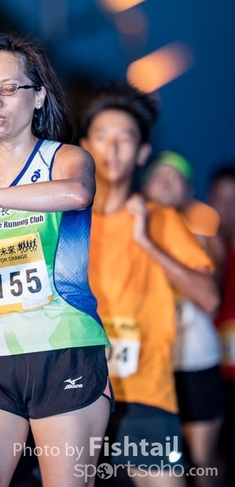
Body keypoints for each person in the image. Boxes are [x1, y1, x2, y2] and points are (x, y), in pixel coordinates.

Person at [0, 33, 113, 487]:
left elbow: (78, 193)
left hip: (63, 349)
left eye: (9, 88)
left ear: (39, 96)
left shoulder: (66, 159)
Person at [79, 82, 219, 487]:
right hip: (76, 394)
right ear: (85, 146)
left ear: (142, 152)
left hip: (146, 396)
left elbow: (209, 298)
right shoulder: (67, 220)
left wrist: (146, 242)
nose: (112, 148)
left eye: (125, 139)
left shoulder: (161, 220)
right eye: (102, 137)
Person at [142, 151, 225, 487]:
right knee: (158, 462)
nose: (166, 182)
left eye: (175, 178)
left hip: (194, 359)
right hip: (149, 366)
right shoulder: (129, 229)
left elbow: (213, 297)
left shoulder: (204, 235)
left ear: (188, 191)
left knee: (201, 461)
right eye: (158, 175)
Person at [208, 165, 235, 487]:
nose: (227, 209)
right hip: (212, 368)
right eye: (220, 199)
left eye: (234, 200)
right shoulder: (201, 248)